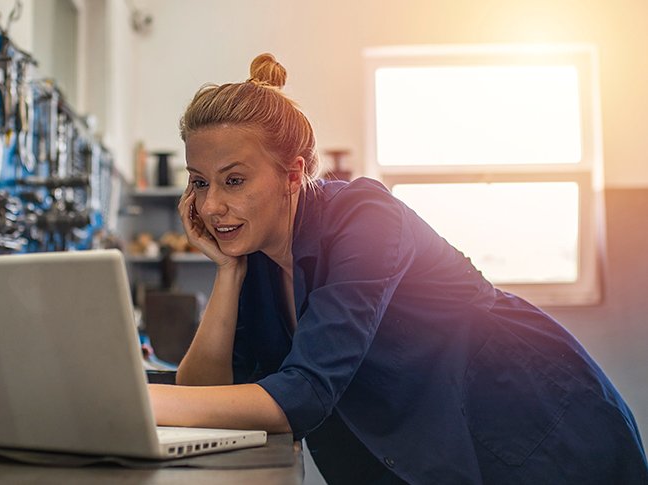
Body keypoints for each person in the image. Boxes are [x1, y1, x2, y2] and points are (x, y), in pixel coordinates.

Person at [147, 53, 648, 484]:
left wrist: (141, 400)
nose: (210, 206)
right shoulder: (254, 258)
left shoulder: (364, 218)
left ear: (293, 174)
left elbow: (305, 393)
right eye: (199, 182)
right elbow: (202, 400)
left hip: (539, 430)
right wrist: (228, 271)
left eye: (233, 181)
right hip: (434, 450)